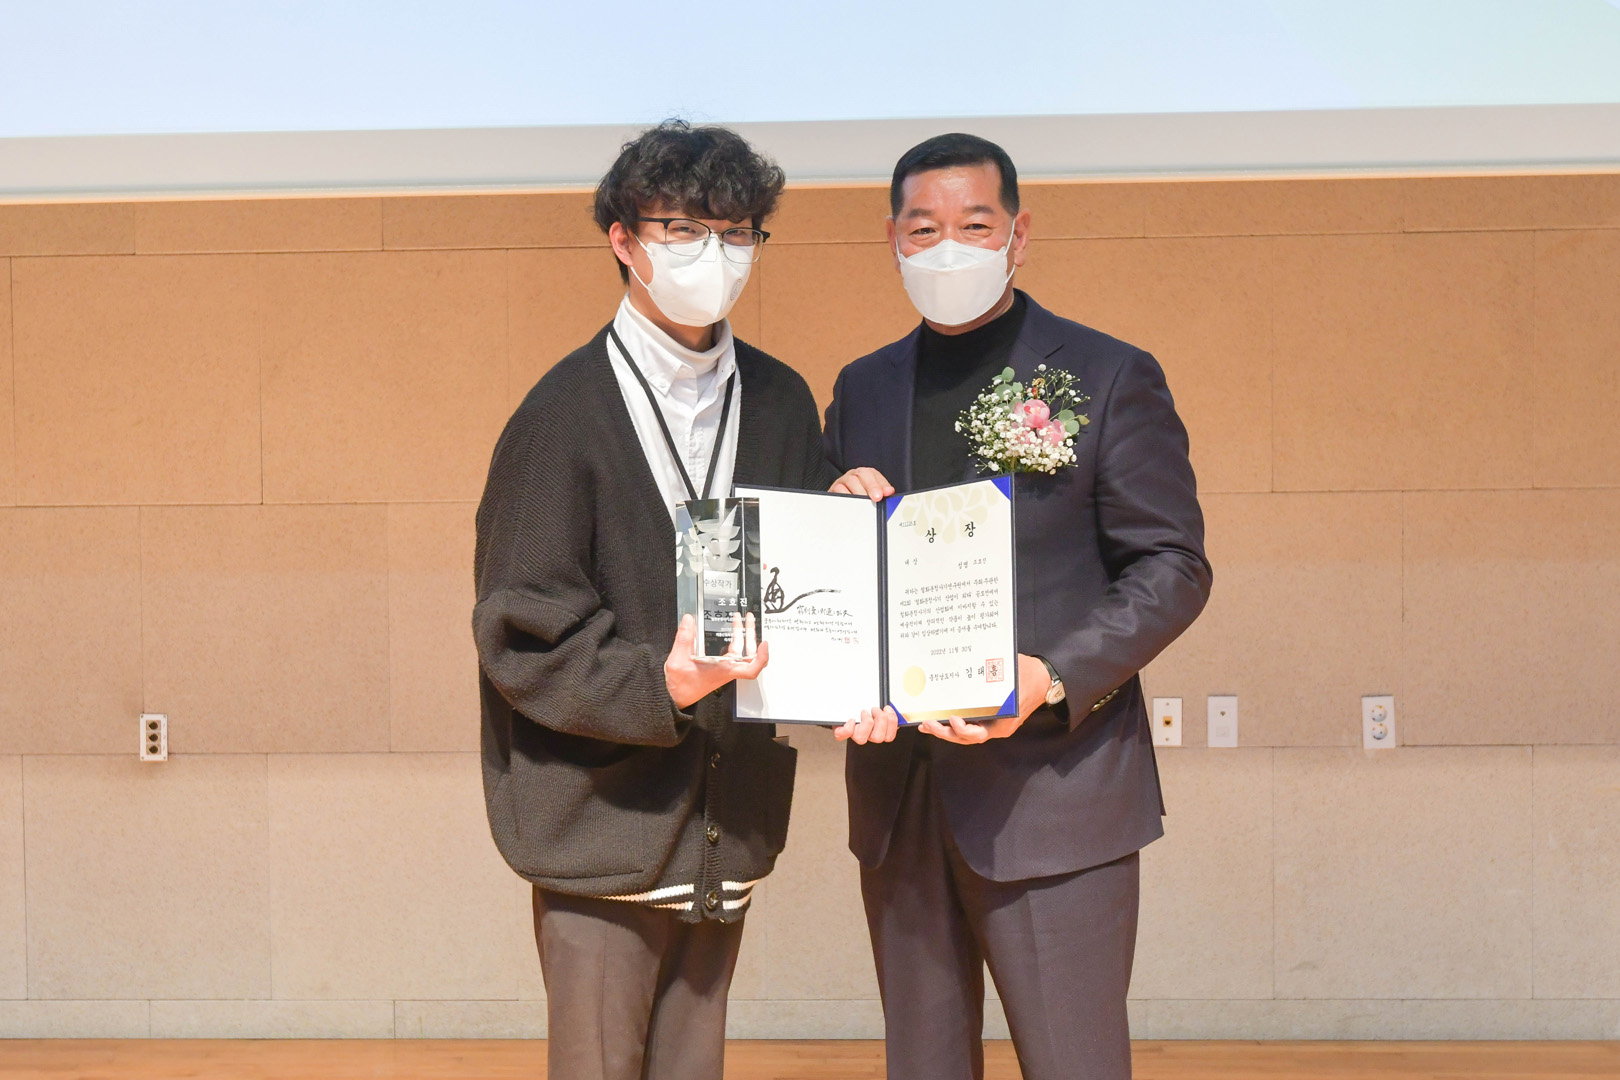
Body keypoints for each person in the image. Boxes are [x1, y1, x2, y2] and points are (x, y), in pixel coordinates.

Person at [824, 133, 1213, 1080]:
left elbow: (1171, 565)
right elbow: (843, 571)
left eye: (974, 225)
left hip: (1055, 791)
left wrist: (1054, 676)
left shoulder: (1108, 374)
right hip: (902, 796)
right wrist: (835, 517)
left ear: (1018, 235)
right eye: (924, 229)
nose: (948, 248)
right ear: (893, 240)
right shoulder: (863, 386)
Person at [473, 121, 838, 1080]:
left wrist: (857, 530)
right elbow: (521, 634)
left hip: (726, 823)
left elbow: (811, 593)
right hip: (602, 830)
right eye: (682, 229)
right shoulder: (559, 416)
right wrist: (660, 684)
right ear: (624, 241)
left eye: (737, 232)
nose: (713, 254)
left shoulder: (782, 400)